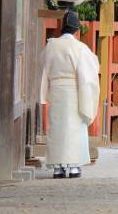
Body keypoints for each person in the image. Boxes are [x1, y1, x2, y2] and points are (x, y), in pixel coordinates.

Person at [39, 10, 100, 179]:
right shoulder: (80, 48)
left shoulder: (51, 45)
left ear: (61, 28)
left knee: (57, 128)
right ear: (76, 29)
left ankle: (57, 168)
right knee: (74, 128)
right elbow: (91, 69)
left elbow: (42, 63)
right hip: (73, 91)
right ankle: (73, 167)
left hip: (56, 91)